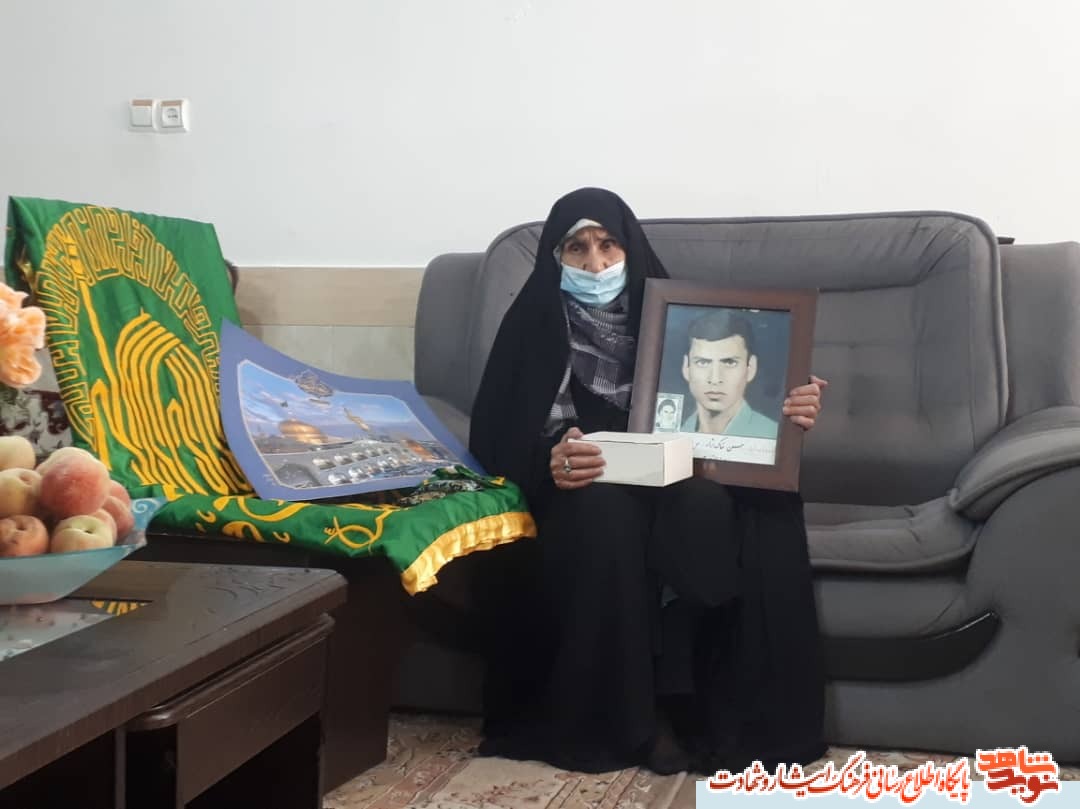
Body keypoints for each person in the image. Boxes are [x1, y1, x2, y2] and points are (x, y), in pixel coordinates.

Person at [468, 187, 828, 776]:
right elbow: (496, 437)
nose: (595, 264)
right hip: (584, 491)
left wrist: (791, 410)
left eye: (608, 245)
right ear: (554, 257)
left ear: (630, 249)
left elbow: (737, 411)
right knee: (606, 515)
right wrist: (550, 459)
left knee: (702, 509)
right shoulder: (530, 325)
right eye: (577, 249)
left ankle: (691, 711)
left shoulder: (676, 319)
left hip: (681, 480)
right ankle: (627, 723)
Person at [679, 309, 779, 438]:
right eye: (702, 362)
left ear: (751, 368)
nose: (715, 379)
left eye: (730, 363)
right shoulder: (673, 434)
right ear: (686, 367)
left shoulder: (774, 435)